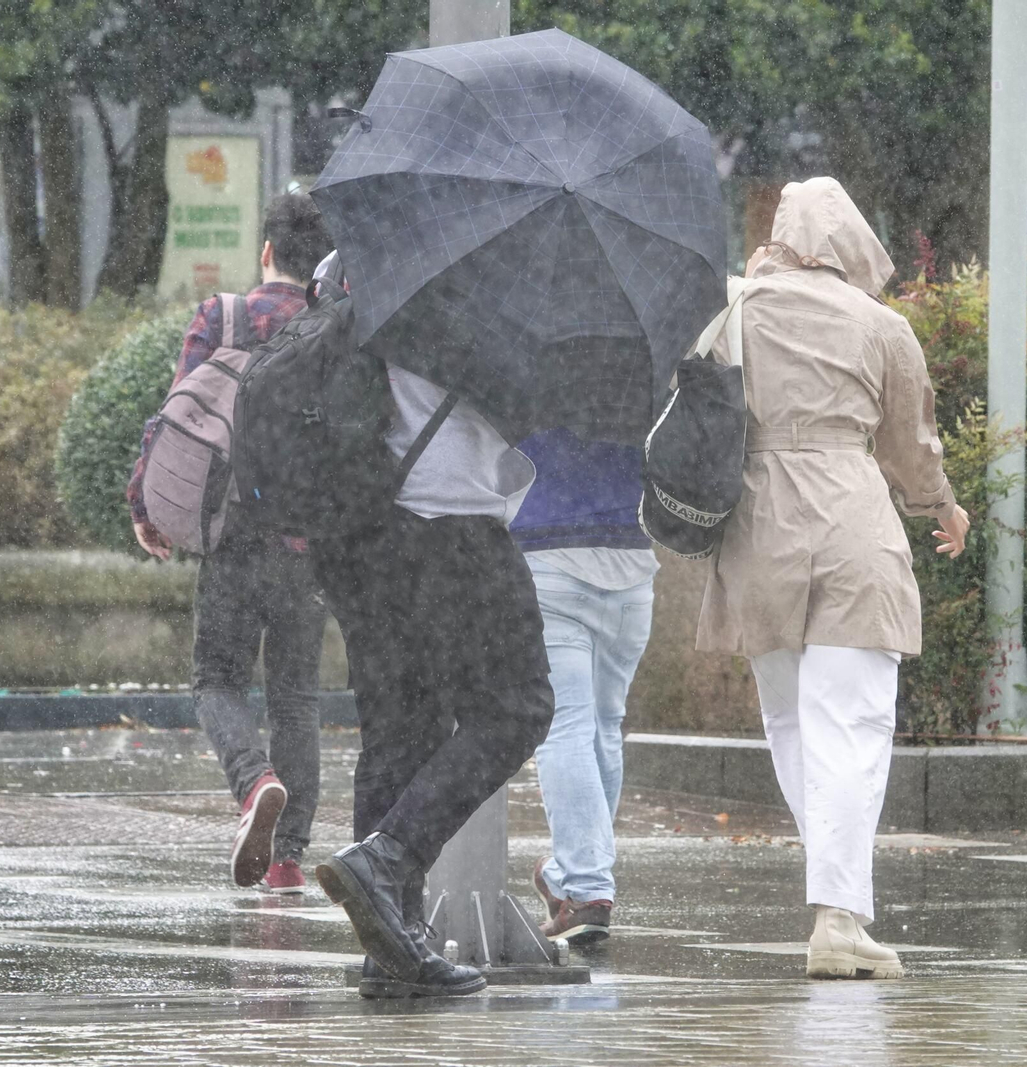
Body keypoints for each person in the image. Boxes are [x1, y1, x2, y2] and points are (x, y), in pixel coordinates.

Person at [695, 177, 971, 981]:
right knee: (852, 725)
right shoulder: (880, 325)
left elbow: (697, 413)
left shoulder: (733, 313)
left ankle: (838, 899)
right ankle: (839, 916)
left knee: (791, 723)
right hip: (852, 527)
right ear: (851, 241)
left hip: (758, 531)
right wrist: (943, 507)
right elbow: (911, 445)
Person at [309, 252, 555, 997]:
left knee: (400, 726)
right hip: (452, 521)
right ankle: (390, 857)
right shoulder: (478, 281)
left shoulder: (348, 265)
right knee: (516, 708)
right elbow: (521, 396)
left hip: (360, 533)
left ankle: (393, 950)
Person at [126, 194, 333, 895]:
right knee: (297, 698)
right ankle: (288, 857)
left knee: (217, 679)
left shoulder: (226, 317)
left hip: (231, 537)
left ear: (267, 252)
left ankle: (255, 784)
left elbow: (175, 413)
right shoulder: (335, 327)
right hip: (308, 545)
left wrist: (145, 505)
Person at [510, 429, 657, 944]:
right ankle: (570, 877)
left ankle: (589, 887)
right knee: (604, 726)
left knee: (565, 726)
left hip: (546, 554)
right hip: (633, 562)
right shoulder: (639, 360)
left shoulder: (537, 355)